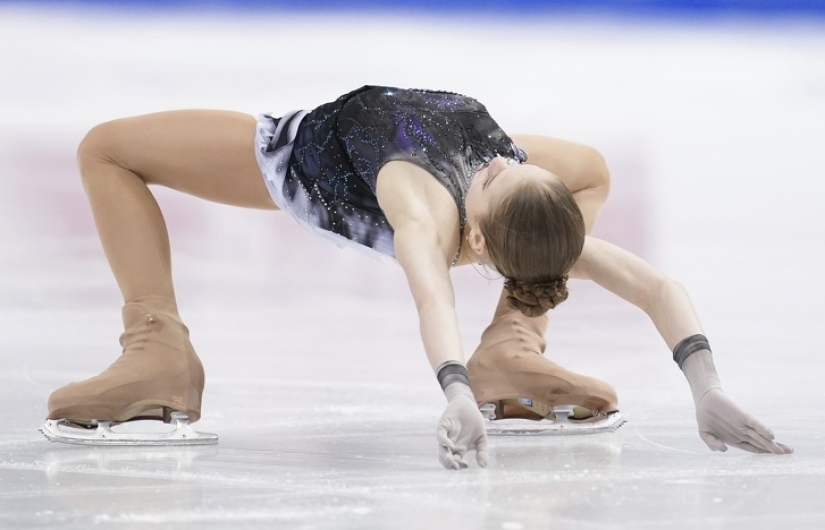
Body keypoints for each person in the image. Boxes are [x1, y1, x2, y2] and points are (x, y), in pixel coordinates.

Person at [45, 85, 792, 469]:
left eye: (499, 177)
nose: (501, 160)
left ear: (475, 236)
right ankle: (512, 346)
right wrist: (707, 387)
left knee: (106, 149)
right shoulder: (514, 189)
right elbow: (656, 287)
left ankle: (156, 351)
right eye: (513, 166)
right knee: (588, 167)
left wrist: (457, 394)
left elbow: (433, 301)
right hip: (406, 151)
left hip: (307, 159)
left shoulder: (419, 215)